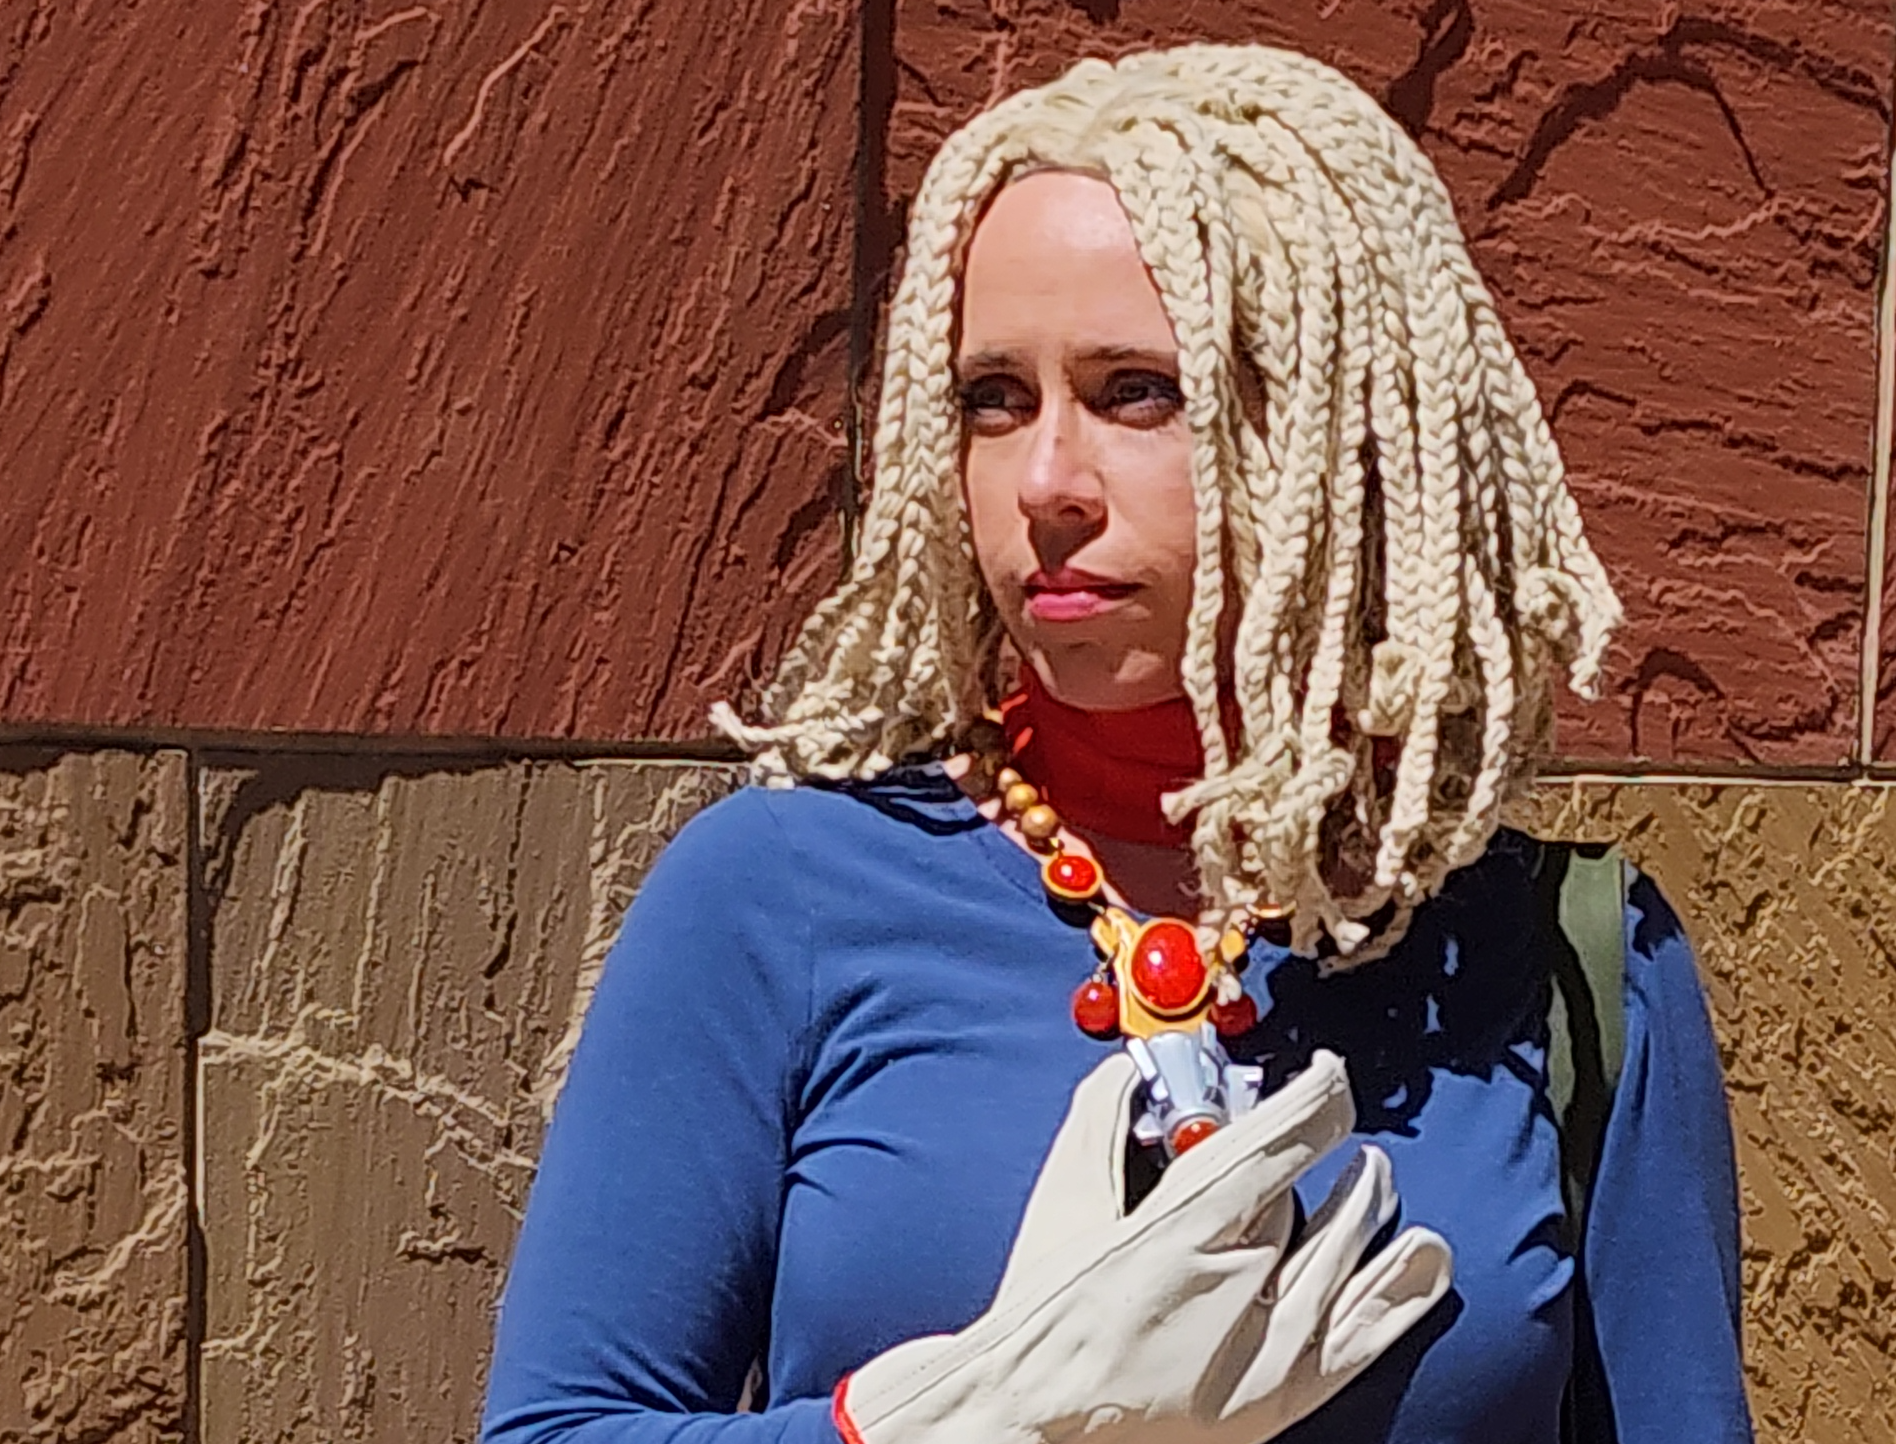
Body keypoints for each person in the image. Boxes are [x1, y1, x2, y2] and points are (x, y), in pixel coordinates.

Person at [480, 43, 1753, 1444]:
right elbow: (562, 1426)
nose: (1045, 484)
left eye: (1137, 391)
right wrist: (963, 1421)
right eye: (993, 399)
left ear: (1339, 429)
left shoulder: (1571, 966)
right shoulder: (774, 897)